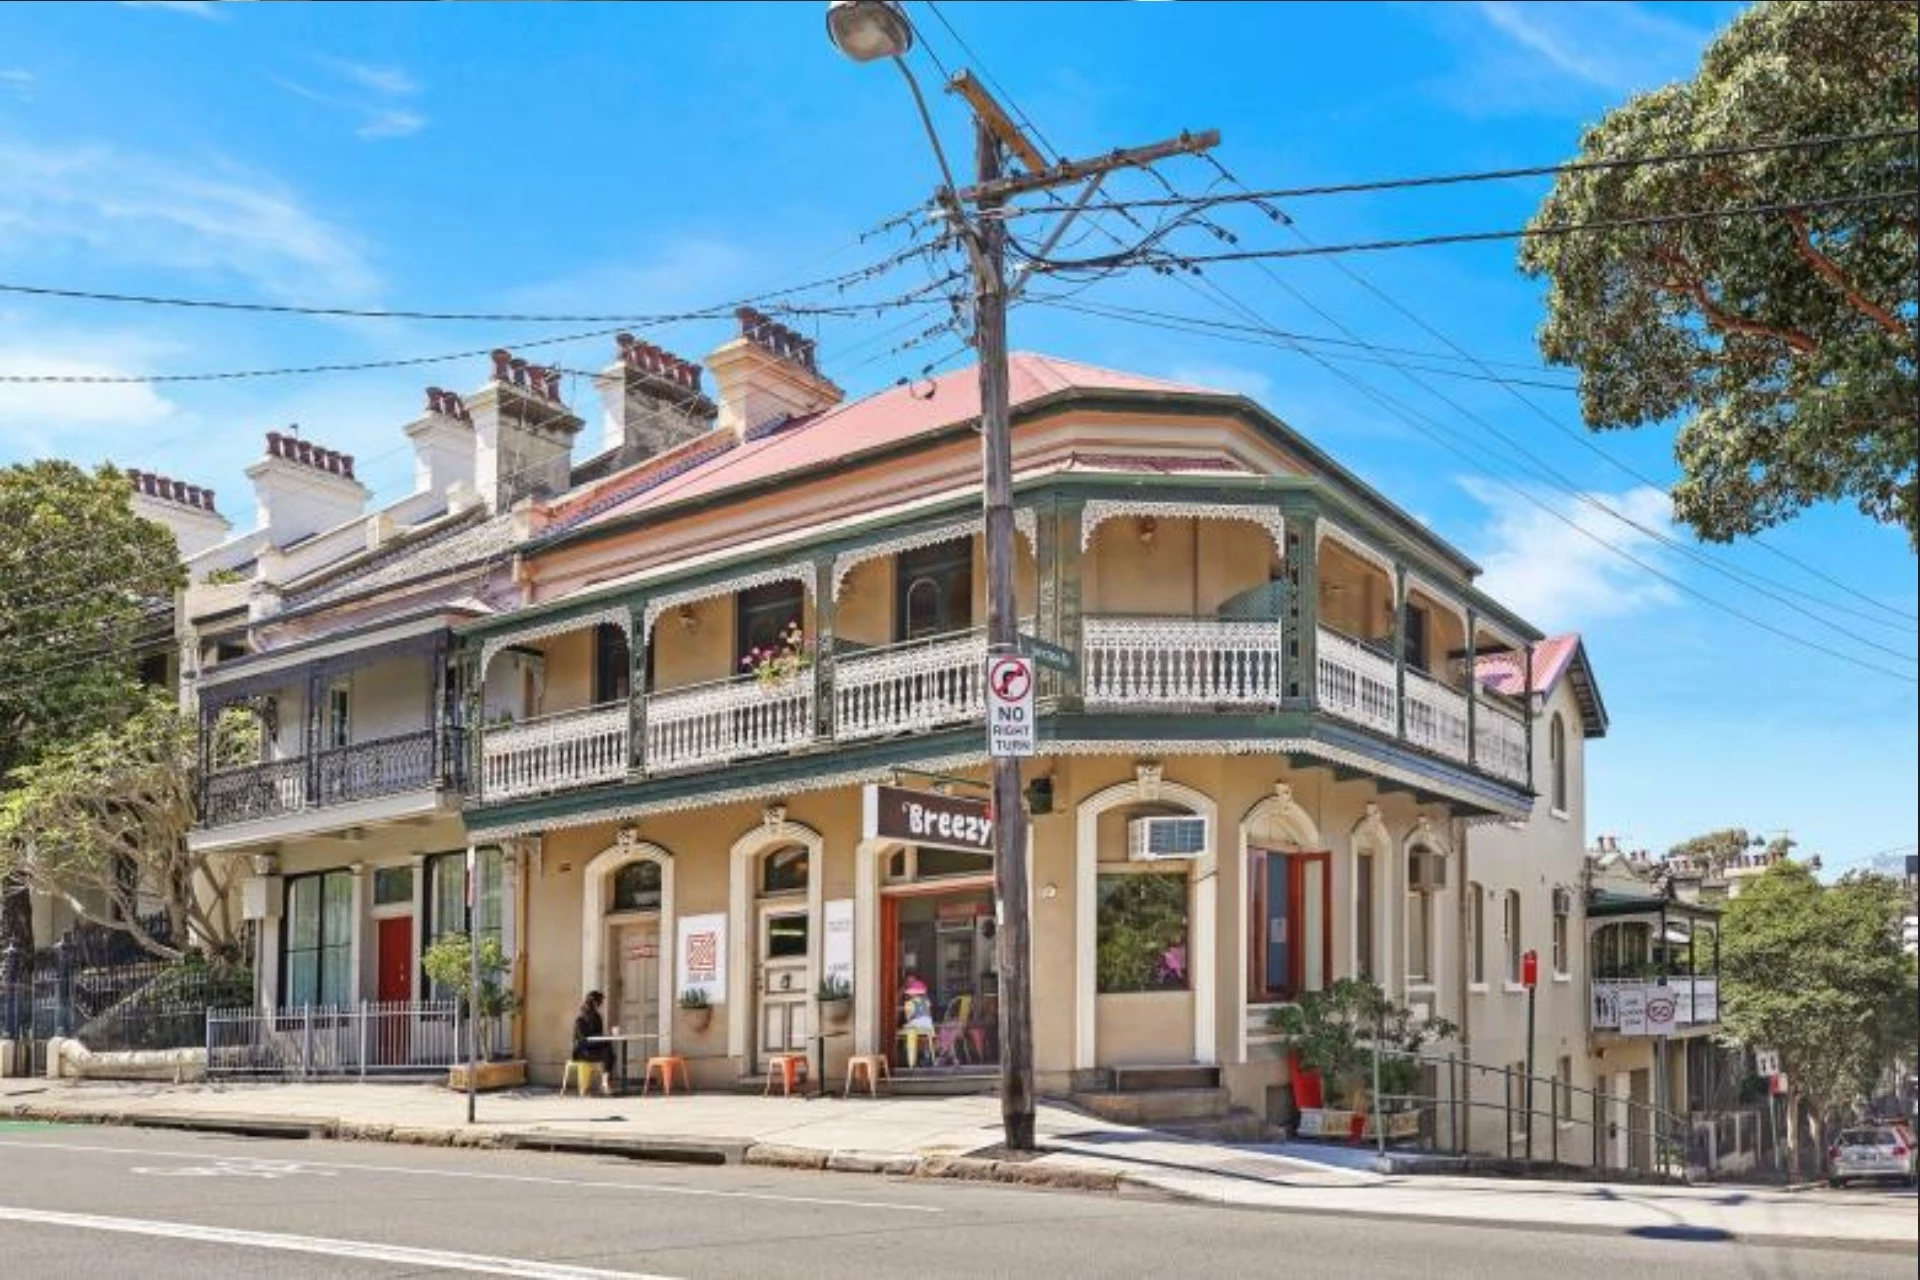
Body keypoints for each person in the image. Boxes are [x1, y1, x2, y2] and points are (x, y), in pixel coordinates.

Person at [571, 990, 618, 1095]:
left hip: (593, 1049)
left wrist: (604, 1038)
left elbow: (598, 1035)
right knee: (608, 1052)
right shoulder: (581, 1019)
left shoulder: (597, 1017)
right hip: (582, 1052)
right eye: (600, 1002)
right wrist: (600, 1038)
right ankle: (605, 1084)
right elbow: (583, 1040)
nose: (601, 1004)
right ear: (595, 1002)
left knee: (609, 1051)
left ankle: (605, 1083)